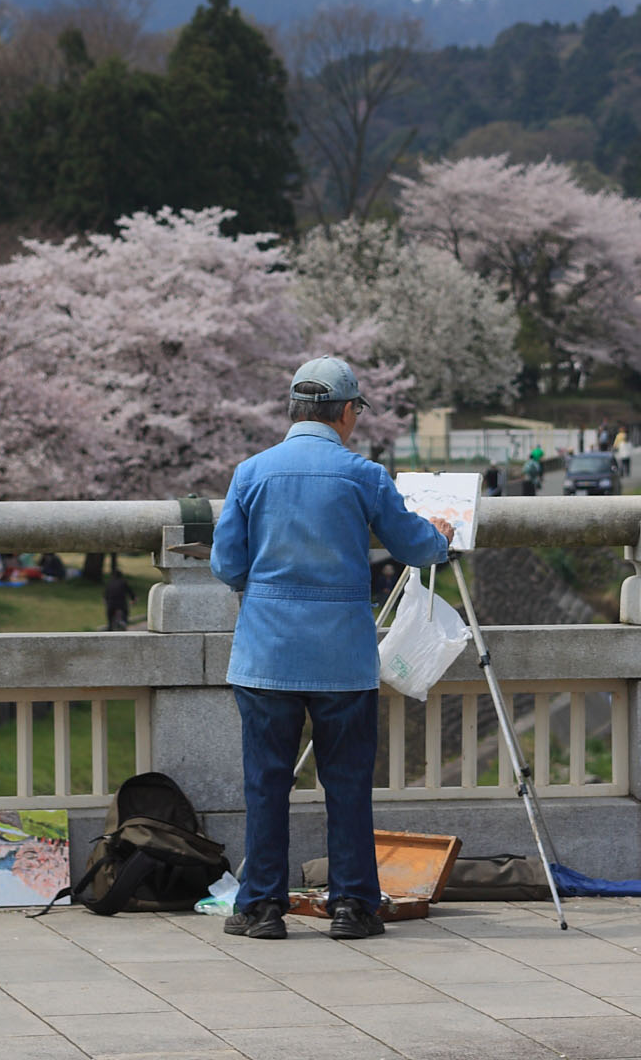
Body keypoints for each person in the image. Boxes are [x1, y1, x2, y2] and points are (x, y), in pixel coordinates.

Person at [211, 355, 454, 943]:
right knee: (347, 783)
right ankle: (351, 906)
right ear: (347, 412)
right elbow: (415, 546)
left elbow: (226, 564)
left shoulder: (251, 472)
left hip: (267, 652)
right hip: (342, 656)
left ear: (294, 410)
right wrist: (441, 536)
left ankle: (262, 908)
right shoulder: (363, 475)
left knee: (266, 783)